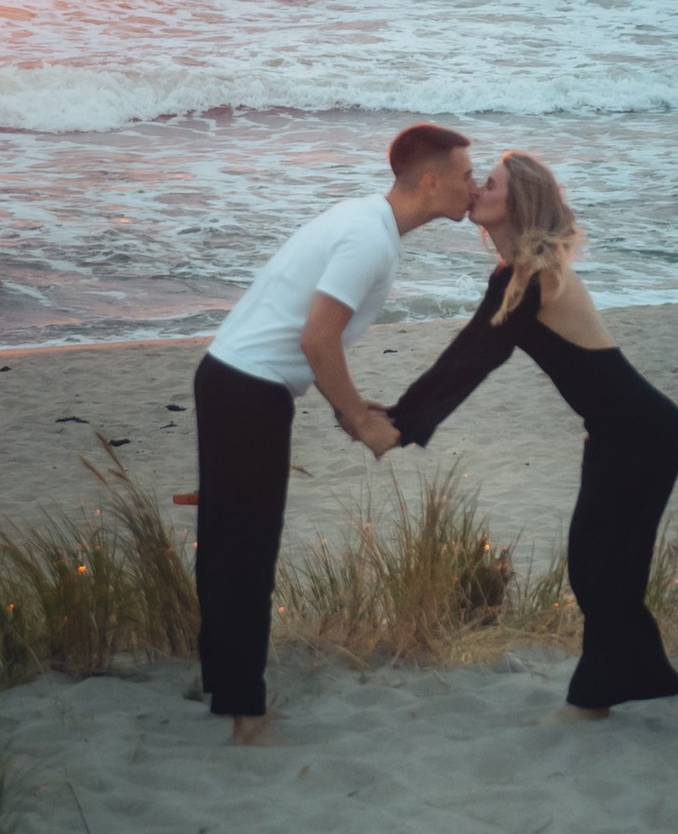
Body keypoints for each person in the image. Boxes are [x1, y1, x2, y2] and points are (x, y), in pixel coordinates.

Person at [192, 123, 477, 732]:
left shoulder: (365, 222)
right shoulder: (368, 239)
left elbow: (304, 336)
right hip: (248, 390)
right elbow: (316, 338)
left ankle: (223, 685)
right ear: (430, 180)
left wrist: (348, 404)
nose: (473, 187)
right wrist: (358, 420)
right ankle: (246, 713)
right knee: (246, 551)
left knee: (225, 543)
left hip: (230, 377)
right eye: (465, 175)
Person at [388, 149, 678, 718]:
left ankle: (594, 700)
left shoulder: (537, 274)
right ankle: (642, 678)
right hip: (613, 433)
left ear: (519, 200)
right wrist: (401, 420)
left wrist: (401, 426)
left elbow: (476, 358)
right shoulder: (513, 274)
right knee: (595, 565)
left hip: (645, 433)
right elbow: (468, 351)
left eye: (490, 183)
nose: (476, 189)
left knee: (605, 570)